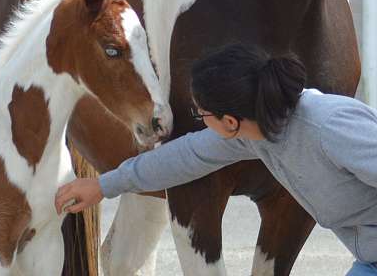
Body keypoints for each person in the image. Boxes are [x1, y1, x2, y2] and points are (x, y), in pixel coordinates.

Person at [54, 44, 377, 275]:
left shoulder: (328, 127)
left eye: (200, 113)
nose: (199, 119)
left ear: (230, 121)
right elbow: (185, 157)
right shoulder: (261, 134)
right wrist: (103, 185)